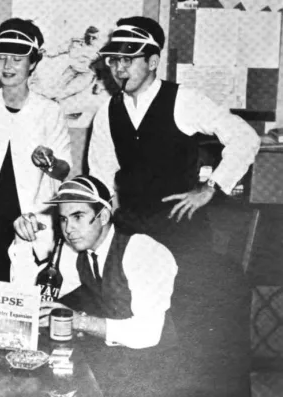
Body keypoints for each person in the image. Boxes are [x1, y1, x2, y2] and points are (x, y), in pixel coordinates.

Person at [88, 16, 260, 396]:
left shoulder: (184, 100)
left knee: (196, 326)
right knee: (135, 325)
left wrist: (210, 187)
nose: (119, 67)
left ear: (153, 61)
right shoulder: (107, 113)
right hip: (133, 234)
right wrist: (110, 211)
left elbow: (244, 138)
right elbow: (100, 175)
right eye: (115, 59)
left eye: (129, 59)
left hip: (181, 234)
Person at [30, 176, 178, 397]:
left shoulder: (143, 251)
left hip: (158, 372)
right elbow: (39, 295)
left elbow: (148, 334)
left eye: (78, 216)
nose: (68, 229)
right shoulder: (82, 254)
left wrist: (78, 321)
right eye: (63, 219)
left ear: (104, 216)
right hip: (114, 365)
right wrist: (23, 239)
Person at [0, 18, 72, 281]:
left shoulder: (49, 111)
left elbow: (64, 170)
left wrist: (49, 162)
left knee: (26, 305)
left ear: (33, 63)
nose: (7, 66)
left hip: (30, 226)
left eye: (17, 59)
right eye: (1, 58)